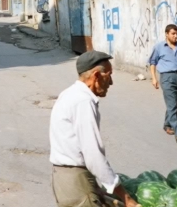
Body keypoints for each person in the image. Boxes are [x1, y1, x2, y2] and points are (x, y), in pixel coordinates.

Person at [49, 50, 139, 207]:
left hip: (64, 179)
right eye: (109, 75)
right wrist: (126, 198)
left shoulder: (69, 94)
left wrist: (96, 186)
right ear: (96, 76)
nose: (111, 82)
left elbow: (75, 147)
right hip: (76, 183)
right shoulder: (83, 101)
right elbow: (93, 156)